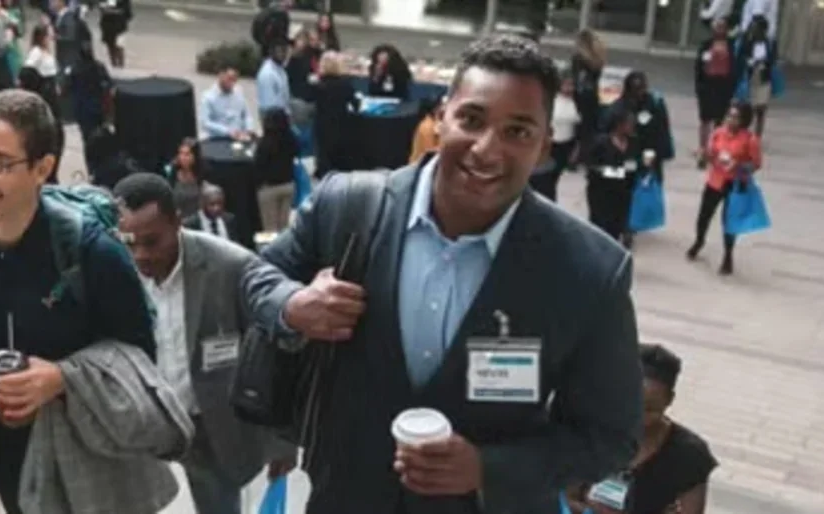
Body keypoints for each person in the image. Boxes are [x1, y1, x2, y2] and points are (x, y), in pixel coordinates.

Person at [241, 34, 641, 514]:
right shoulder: (347, 205)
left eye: (518, 131)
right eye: (472, 120)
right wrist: (291, 306)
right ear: (440, 115)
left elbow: (610, 438)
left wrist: (488, 468)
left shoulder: (590, 268)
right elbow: (253, 278)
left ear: (543, 146)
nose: (487, 150)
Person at [0, 89, 156, 514]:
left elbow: (141, 356)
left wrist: (62, 378)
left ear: (42, 168)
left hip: (86, 446)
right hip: (5, 443)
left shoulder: (92, 253)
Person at [113, 173, 295, 514]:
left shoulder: (231, 267)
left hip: (211, 427)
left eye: (152, 242)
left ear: (177, 223)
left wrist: (283, 441)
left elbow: (277, 350)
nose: (139, 255)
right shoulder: (112, 268)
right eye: (129, 242)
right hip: (143, 429)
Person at [566, 344, 716, 514]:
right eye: (631, 406)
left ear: (669, 400)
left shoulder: (689, 454)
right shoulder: (591, 431)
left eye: (651, 409)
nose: (640, 419)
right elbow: (564, 496)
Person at [688, 102, 762, 275]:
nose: (731, 120)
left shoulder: (750, 140)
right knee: (704, 215)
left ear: (744, 120)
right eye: (729, 115)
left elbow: (756, 164)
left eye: (736, 117)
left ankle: (728, 256)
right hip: (715, 180)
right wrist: (703, 156)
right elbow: (710, 153)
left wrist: (739, 165)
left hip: (735, 184)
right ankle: (699, 241)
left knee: (728, 222)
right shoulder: (718, 133)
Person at [585, 108, 639, 244]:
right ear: (619, 125)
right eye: (629, 123)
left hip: (622, 195)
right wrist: (616, 172)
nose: (632, 126)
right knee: (601, 229)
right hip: (601, 194)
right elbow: (591, 167)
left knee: (616, 230)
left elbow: (632, 166)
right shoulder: (601, 143)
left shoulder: (633, 143)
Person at [694, 18, 738, 169]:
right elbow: (699, 66)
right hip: (707, 85)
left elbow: (735, 67)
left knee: (720, 120)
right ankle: (703, 150)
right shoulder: (706, 45)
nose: (719, 30)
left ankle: (717, 150)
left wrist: (732, 86)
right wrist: (699, 86)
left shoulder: (732, 46)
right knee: (705, 119)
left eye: (722, 27)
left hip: (723, 86)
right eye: (717, 27)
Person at [312, 51, 358, 177]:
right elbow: (356, 104)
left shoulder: (318, 86)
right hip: (340, 124)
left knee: (324, 154)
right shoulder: (345, 85)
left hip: (322, 125)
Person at [254, 109, 299, 233]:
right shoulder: (291, 139)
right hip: (288, 185)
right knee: (284, 228)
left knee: (270, 231)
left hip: (269, 189)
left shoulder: (265, 143)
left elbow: (258, 166)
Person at [736, 16, 777, 137]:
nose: (754, 30)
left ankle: (757, 136)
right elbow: (740, 56)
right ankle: (743, 133)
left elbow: (773, 59)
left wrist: (765, 63)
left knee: (761, 109)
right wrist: (749, 61)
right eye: (752, 28)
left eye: (756, 28)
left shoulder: (770, 43)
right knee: (746, 108)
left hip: (763, 78)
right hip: (749, 77)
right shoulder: (746, 40)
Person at [67, 45, 113, 146]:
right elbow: (109, 83)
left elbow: (68, 87)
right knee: (99, 134)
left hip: (82, 108)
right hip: (97, 107)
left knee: (86, 136)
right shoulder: (99, 67)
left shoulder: (75, 69)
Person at [569, 29, 605, 158]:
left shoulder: (578, 58)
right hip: (592, 95)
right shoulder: (597, 59)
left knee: (576, 126)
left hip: (580, 95)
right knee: (588, 126)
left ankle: (573, 155)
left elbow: (577, 78)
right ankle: (585, 154)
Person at [200, 67, 257, 141]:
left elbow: (246, 114)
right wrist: (227, 131)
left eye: (235, 80)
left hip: (240, 137)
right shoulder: (208, 97)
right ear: (221, 76)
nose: (232, 84)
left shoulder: (239, 91)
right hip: (218, 139)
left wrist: (249, 128)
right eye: (229, 79)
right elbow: (205, 123)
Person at [182, 183, 245, 247]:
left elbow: (236, 244)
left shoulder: (229, 219)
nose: (217, 208)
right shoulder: (190, 224)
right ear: (203, 204)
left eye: (220, 203)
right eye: (212, 204)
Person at [166, 137, 206, 217]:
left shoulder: (203, 174)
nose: (183, 158)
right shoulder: (172, 173)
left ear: (195, 156)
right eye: (181, 153)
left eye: (187, 154)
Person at [256, 40, 291, 114]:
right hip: (272, 117)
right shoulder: (267, 73)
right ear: (271, 52)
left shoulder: (280, 69)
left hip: (282, 115)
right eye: (279, 51)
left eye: (285, 51)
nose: (283, 54)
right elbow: (269, 105)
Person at [408, 96, 442, 163]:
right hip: (420, 166)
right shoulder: (427, 127)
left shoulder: (436, 123)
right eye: (441, 105)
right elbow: (429, 153)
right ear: (435, 109)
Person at [99, 0, 132, 67]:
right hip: (108, 23)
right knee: (111, 45)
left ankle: (119, 64)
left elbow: (127, 12)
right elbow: (102, 7)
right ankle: (115, 64)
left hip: (118, 24)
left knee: (118, 45)